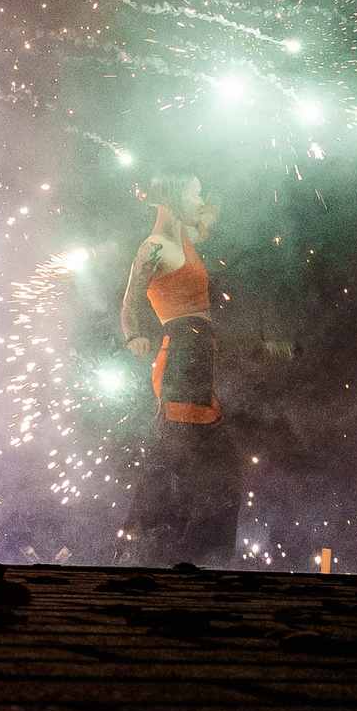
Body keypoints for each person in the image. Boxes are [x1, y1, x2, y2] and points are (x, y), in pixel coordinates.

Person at [118, 172, 242, 566]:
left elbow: (208, 217)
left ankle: (164, 552)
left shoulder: (184, 238)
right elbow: (130, 299)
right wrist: (134, 336)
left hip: (199, 354)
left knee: (193, 458)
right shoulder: (154, 247)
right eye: (194, 193)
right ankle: (143, 552)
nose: (200, 200)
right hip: (181, 353)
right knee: (178, 456)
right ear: (173, 199)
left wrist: (223, 188)